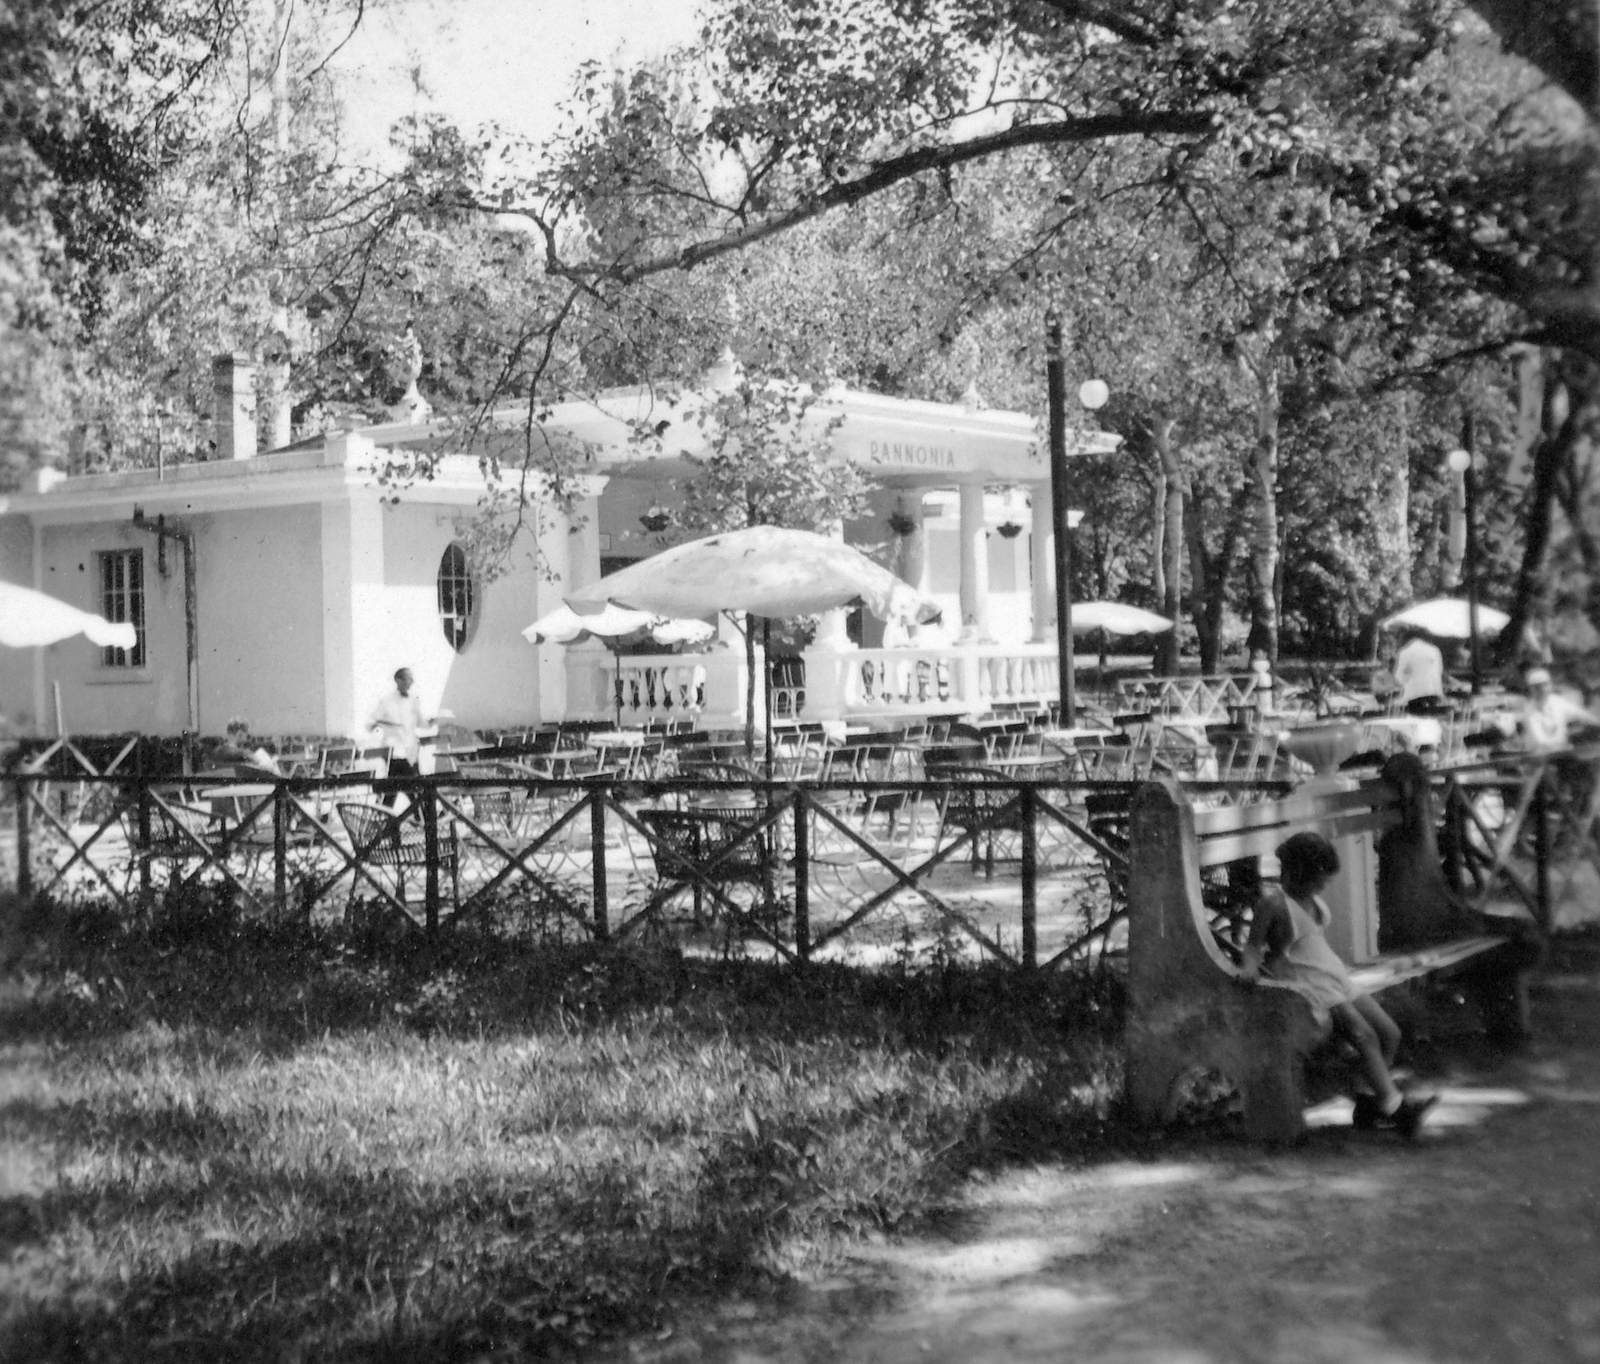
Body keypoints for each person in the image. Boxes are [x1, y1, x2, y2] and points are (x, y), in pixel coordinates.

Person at [1239, 832, 1436, 1138]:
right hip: (1306, 982)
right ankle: (1396, 1109)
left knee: (1388, 1033)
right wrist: (1249, 969)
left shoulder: (1311, 899)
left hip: (1334, 977)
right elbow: (1253, 946)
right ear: (1297, 871)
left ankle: (1371, 1101)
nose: (1323, 885)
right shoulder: (1274, 904)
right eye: (1318, 877)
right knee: (1364, 1035)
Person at [367, 667, 434, 787]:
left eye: (411, 679)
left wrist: (431, 723)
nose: (411, 682)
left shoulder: (413, 700)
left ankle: (385, 805)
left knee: (396, 789)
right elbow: (370, 723)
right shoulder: (386, 701)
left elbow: (420, 723)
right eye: (408, 679)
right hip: (394, 752)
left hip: (410, 751)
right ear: (398, 680)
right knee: (412, 786)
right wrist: (378, 724)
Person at [1521, 666, 1600, 753]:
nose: (1541, 689)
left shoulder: (1558, 701)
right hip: (1540, 757)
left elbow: (1582, 715)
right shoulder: (1528, 710)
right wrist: (1563, 747)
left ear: (1550, 685)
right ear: (1531, 689)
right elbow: (1540, 741)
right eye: (1537, 687)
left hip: (1562, 753)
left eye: (1544, 685)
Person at [1392, 628, 1446, 714]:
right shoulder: (1435, 650)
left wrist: (1404, 683)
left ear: (1405, 639)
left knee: (1416, 718)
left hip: (1414, 695)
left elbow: (1398, 677)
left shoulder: (1405, 652)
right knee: (1431, 719)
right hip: (1434, 692)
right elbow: (1440, 671)